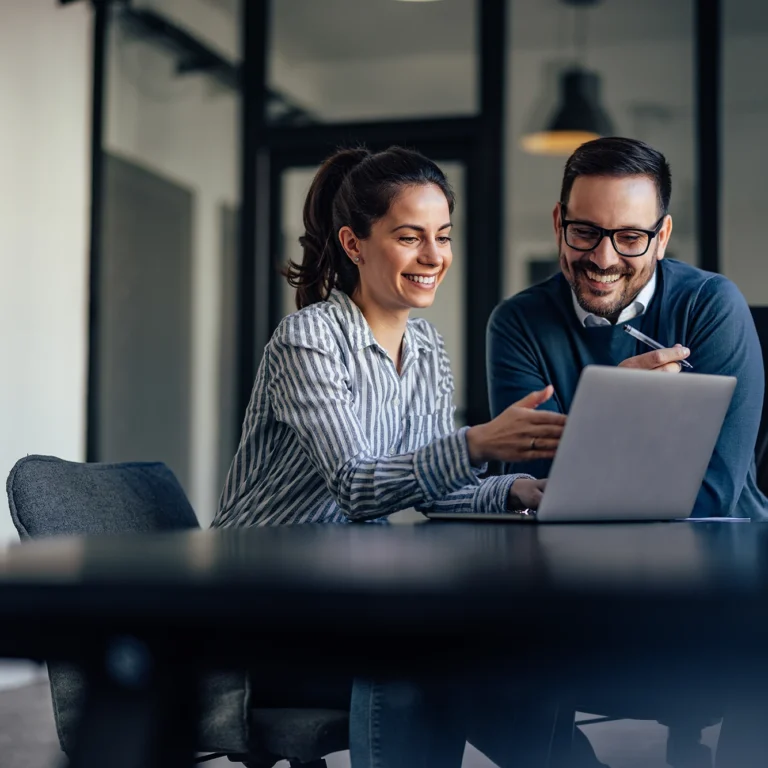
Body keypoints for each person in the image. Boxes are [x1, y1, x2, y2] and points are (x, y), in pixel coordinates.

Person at [213, 147, 601, 767]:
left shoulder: (425, 348)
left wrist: (516, 489)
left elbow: (431, 489)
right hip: (262, 618)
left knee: (515, 672)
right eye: (409, 236)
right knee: (429, 665)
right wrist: (478, 442)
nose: (433, 257)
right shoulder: (308, 338)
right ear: (354, 243)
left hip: (344, 603)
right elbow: (357, 486)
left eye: (442, 237)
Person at [487, 136, 768, 519]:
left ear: (662, 237)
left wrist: (593, 444)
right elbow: (541, 488)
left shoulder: (712, 306)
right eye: (585, 232)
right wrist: (614, 412)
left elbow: (712, 493)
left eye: (630, 237)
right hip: (571, 556)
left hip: (719, 548)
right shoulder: (517, 324)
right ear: (559, 224)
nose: (604, 260)